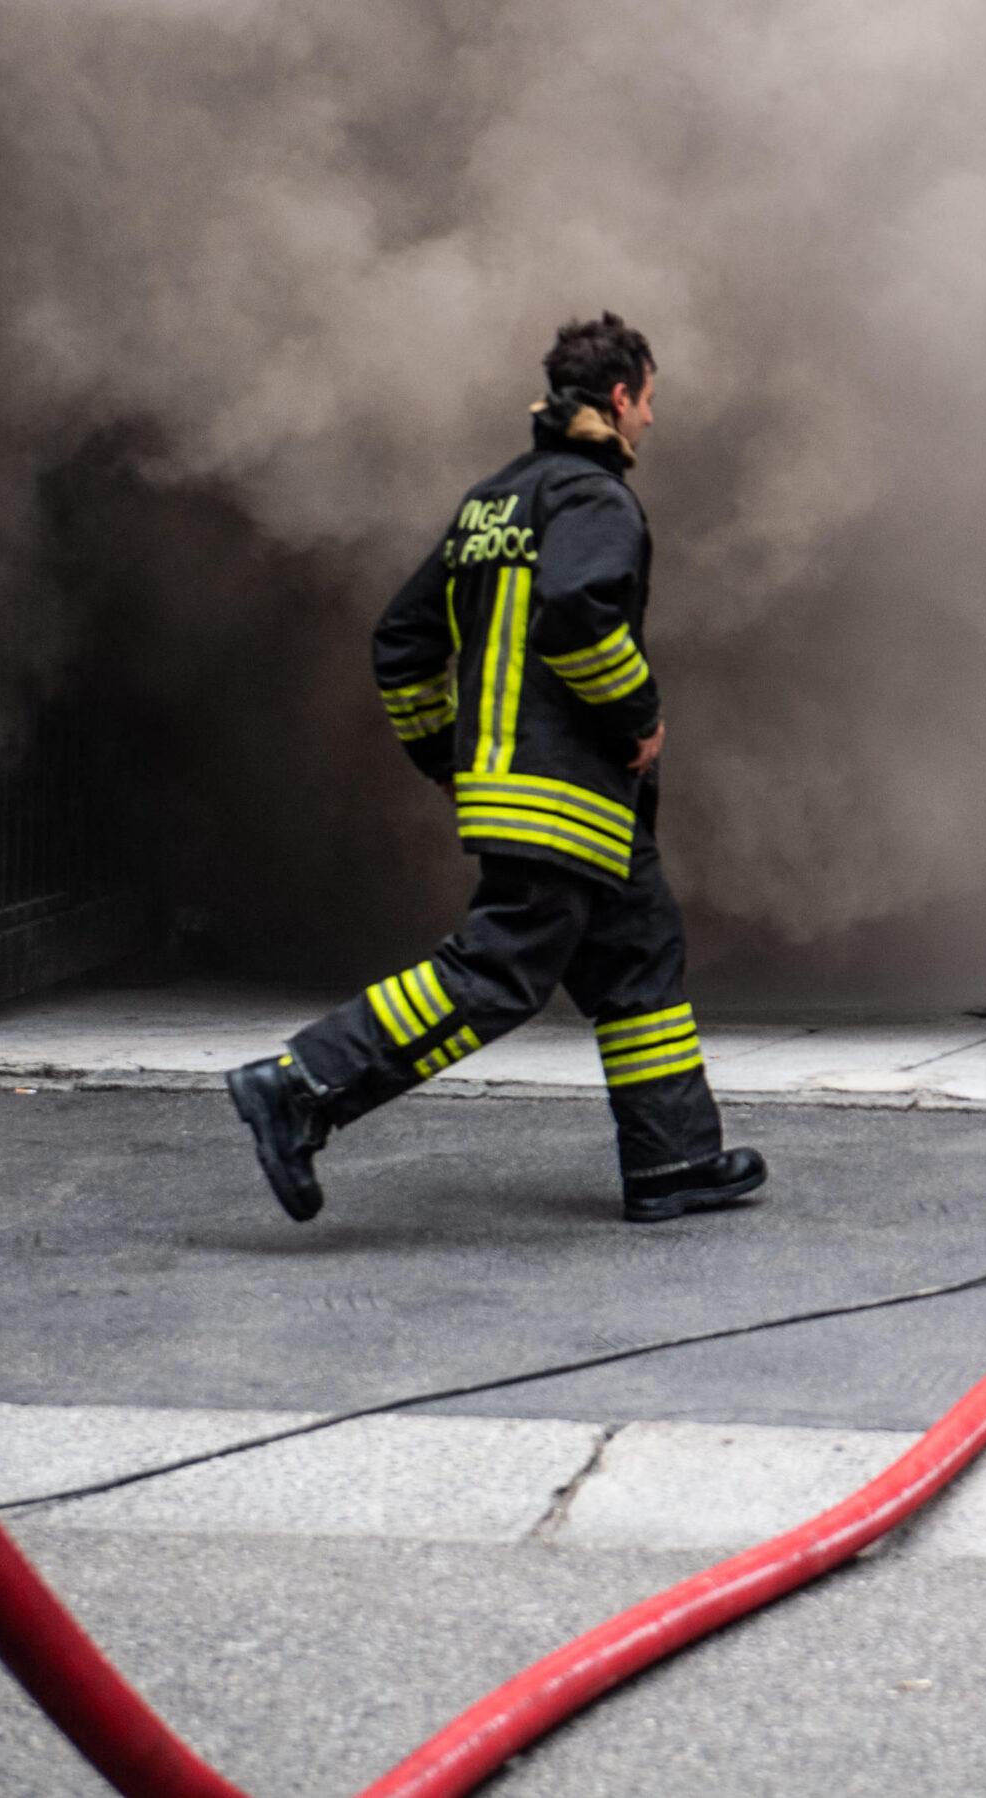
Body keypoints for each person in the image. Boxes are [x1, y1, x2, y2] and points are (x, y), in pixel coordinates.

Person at [228, 314, 767, 1227]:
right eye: (650, 403)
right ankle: (300, 1084)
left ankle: (673, 1159)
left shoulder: (491, 503)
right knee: (502, 967)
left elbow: (402, 640)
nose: (650, 424)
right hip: (569, 794)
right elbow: (573, 613)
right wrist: (638, 717)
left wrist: (443, 756)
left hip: (563, 803)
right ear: (622, 396)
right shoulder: (596, 499)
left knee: (640, 956)